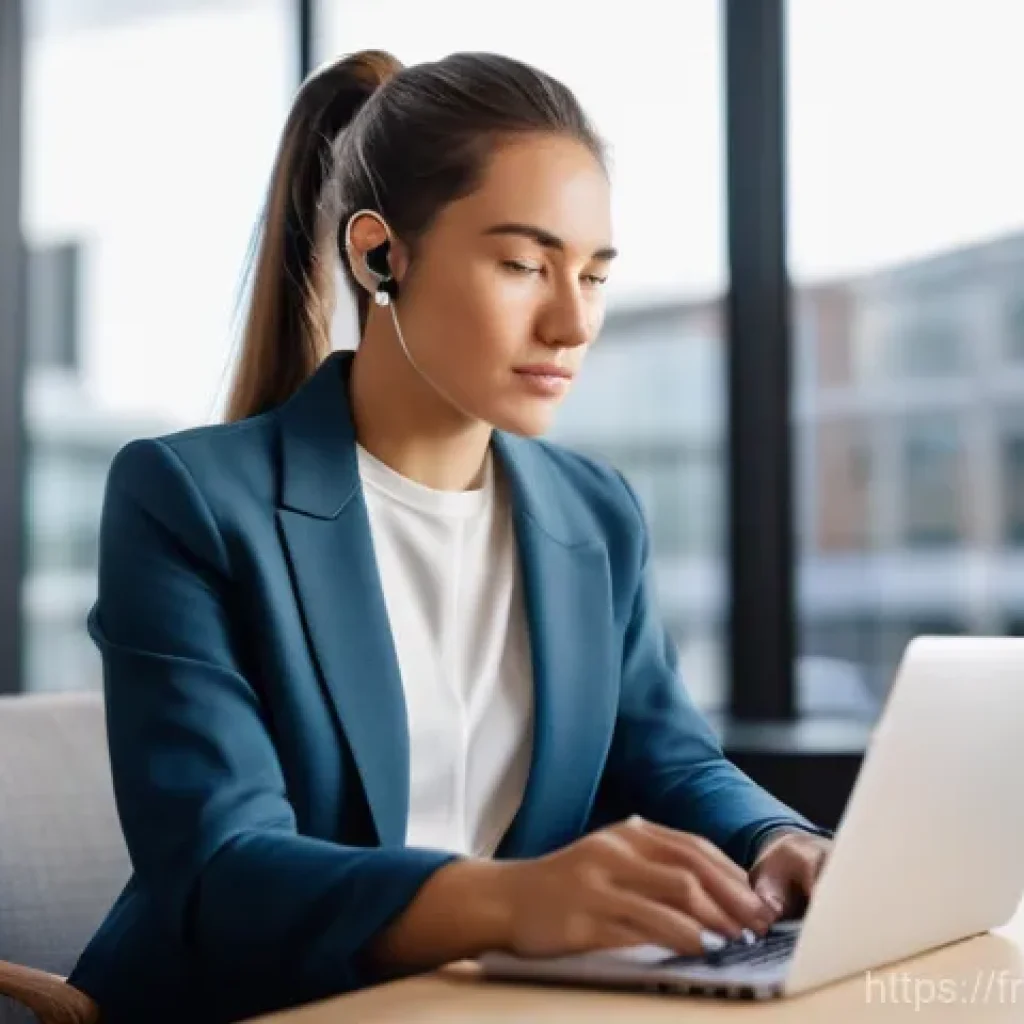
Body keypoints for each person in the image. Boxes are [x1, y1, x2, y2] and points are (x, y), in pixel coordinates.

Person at [68, 49, 832, 1024]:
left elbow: (668, 758)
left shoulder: (594, 512)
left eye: (593, 274)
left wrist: (777, 837)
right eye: (522, 264)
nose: (571, 323)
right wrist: (513, 903)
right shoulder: (186, 499)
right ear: (379, 253)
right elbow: (217, 867)